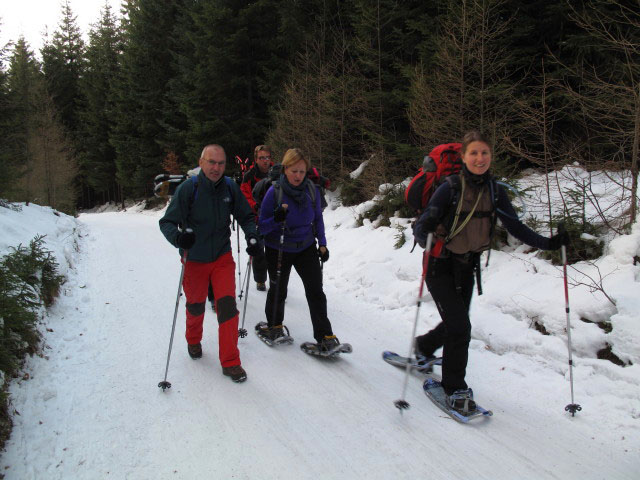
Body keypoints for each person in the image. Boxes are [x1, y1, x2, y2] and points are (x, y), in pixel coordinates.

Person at [413, 131, 568, 412]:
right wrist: (423, 234)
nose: (480, 158)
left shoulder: (495, 191)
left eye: (484, 153)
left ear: (490, 156)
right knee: (461, 327)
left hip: (468, 265)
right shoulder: (450, 187)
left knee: (456, 322)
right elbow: (422, 224)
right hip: (441, 266)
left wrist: (550, 244)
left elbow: (516, 228)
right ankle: (454, 387)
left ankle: (424, 346)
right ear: (463, 157)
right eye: (473, 153)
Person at [159, 144, 264, 383]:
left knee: (227, 308)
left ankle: (230, 361)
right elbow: (166, 222)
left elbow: (246, 216)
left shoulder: (229, 187)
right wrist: (179, 239)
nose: (216, 168)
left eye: (220, 163)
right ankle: (193, 340)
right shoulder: (189, 189)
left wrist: (252, 235)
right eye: (211, 162)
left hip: (221, 258)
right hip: (194, 259)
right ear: (202, 162)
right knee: (195, 305)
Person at [257, 147, 341, 350]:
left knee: (316, 292)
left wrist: (322, 243)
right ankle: (274, 326)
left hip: (305, 247)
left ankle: (325, 336)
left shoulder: (311, 190)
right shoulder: (274, 192)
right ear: (285, 169)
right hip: (278, 247)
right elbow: (262, 227)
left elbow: (318, 218)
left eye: (302, 171)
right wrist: (276, 219)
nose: (298, 176)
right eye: (294, 171)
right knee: (278, 289)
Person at [239, 145, 273, 292]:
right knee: (258, 249)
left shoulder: (277, 172)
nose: (265, 161)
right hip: (255, 216)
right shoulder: (249, 175)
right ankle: (260, 279)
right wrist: (256, 207)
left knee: (274, 249)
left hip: (273, 216)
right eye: (262, 158)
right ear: (256, 159)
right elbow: (244, 195)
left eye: (267, 157)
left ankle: (276, 279)